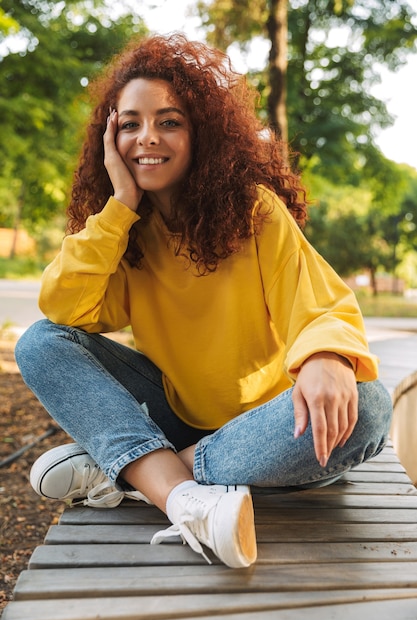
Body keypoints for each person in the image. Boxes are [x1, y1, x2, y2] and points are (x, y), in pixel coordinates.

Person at [15, 33, 392, 569]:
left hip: (271, 424)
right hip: (175, 412)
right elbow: (63, 309)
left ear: (201, 134)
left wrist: (326, 356)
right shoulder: (121, 233)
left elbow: (321, 304)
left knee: (370, 404)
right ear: (110, 139)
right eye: (130, 124)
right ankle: (179, 487)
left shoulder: (253, 213)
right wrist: (120, 206)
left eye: (169, 121)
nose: (148, 137)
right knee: (39, 343)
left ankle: (142, 475)